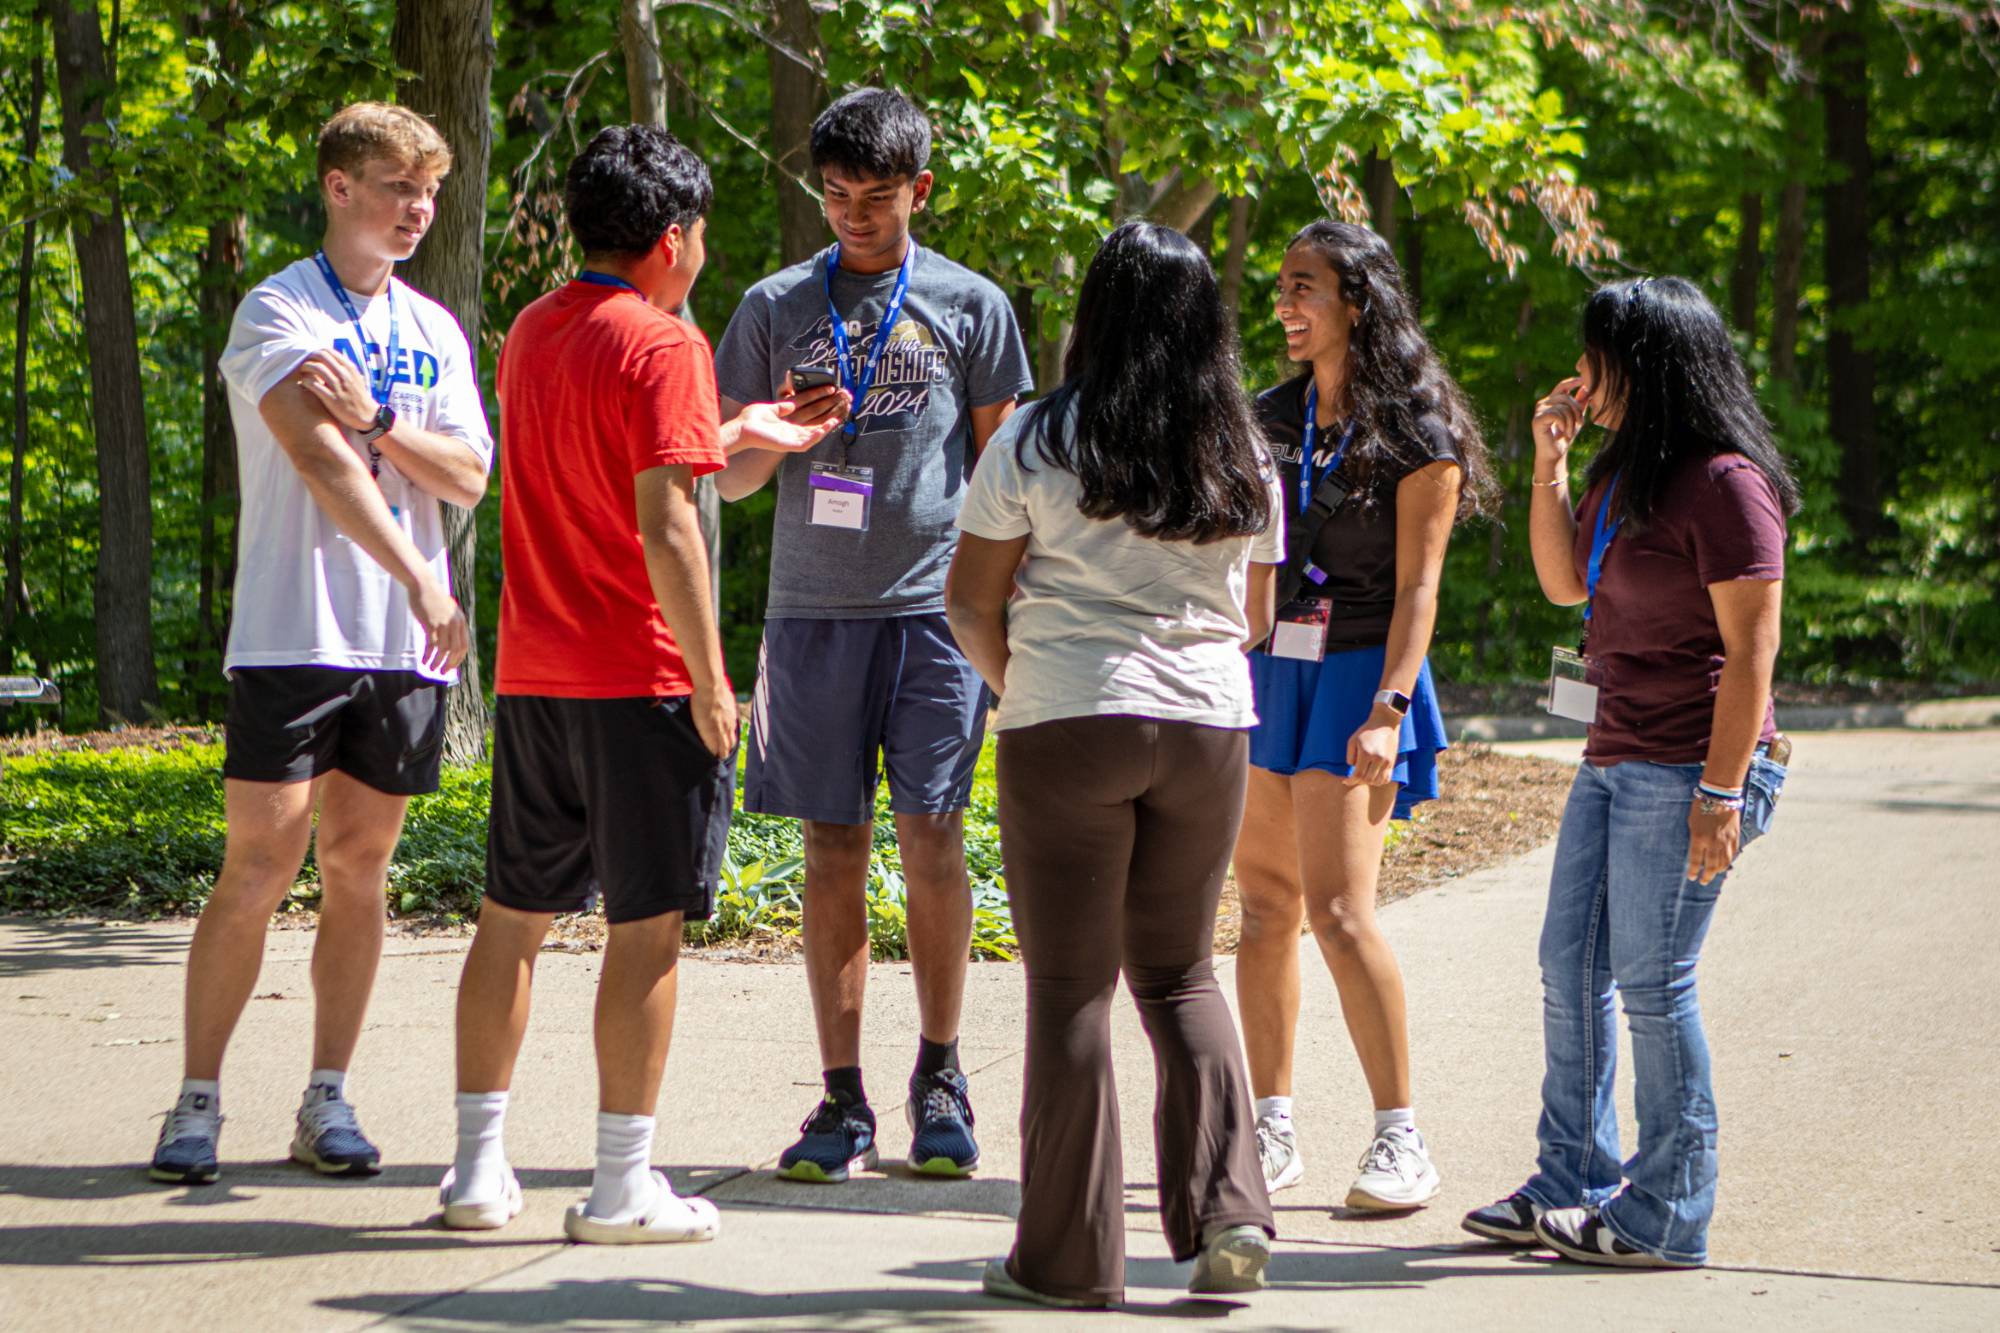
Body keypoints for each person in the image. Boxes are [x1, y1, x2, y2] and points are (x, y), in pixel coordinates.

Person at [435, 126, 834, 1241]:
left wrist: (738, 426)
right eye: (698, 234)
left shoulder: (529, 331)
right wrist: (713, 682)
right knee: (645, 930)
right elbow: (667, 521)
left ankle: (474, 1171)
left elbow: (612, 448)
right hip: (641, 679)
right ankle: (619, 1187)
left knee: (509, 921)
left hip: (536, 678)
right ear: (672, 239)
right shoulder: (664, 346)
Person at [150, 102, 491, 1185]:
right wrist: (419, 575)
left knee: (360, 865)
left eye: (428, 191)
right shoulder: (277, 309)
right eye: (397, 187)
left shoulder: (436, 327)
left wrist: (386, 424)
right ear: (338, 187)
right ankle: (195, 1103)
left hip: (402, 648)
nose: (417, 208)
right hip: (296, 629)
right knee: (259, 862)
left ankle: (325, 1100)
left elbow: (471, 474)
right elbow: (315, 458)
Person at [948, 220, 1283, 1309]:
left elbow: (967, 597)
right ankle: (1229, 1211)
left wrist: (1025, 685)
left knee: (1070, 991)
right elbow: (1257, 616)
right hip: (1206, 726)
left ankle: (1065, 1262)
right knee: (1181, 975)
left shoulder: (1038, 439)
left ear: (1096, 310)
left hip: (1067, 718)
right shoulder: (1241, 447)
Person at [711, 87, 1034, 1183]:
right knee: (830, 844)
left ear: (920, 191)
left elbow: (1006, 472)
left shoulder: (973, 304)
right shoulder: (770, 305)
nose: (853, 214)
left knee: (934, 837)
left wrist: (1007, 612)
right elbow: (736, 478)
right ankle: (840, 1097)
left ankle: (939, 1073)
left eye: (878, 197)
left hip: (938, 615)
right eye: (837, 193)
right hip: (811, 613)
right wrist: (774, 436)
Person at [1462, 276, 1796, 1268]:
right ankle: (1571, 1175)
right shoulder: (1624, 472)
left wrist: (1720, 793)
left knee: (1651, 983)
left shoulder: (1727, 483)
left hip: (1695, 762)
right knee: (1568, 965)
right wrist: (1549, 464)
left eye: (1598, 356)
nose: (1583, 374)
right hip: (1614, 749)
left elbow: (1752, 654)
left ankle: (1666, 1210)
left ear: (1644, 365)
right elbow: (1565, 580)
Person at [1233, 220, 1492, 1211]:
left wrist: (1388, 708)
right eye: (1280, 288)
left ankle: (1399, 1138)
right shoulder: (1267, 414)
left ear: (1355, 300)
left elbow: (1422, 591)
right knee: (1262, 909)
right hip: (1270, 671)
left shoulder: (1417, 430)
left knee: (1340, 915)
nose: (1284, 307)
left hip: (1360, 675)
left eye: (1302, 287)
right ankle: (1270, 1124)